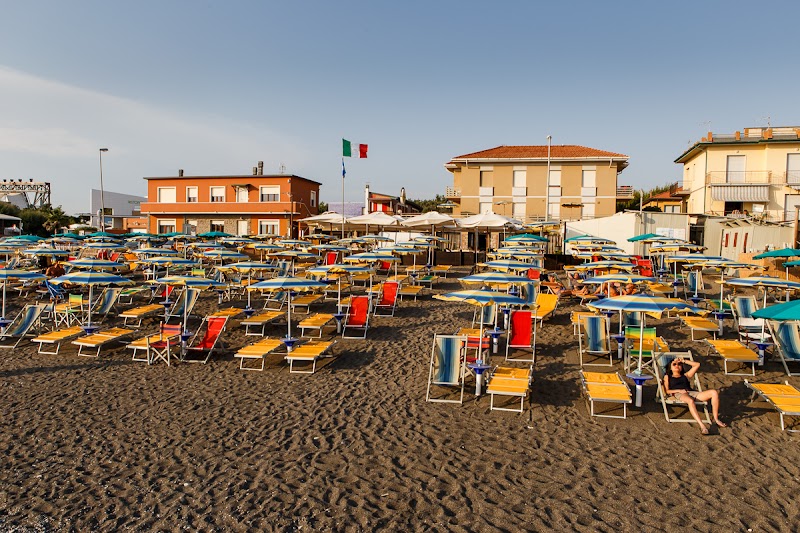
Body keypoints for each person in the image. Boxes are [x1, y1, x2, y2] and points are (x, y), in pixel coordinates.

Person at [663, 356, 727, 434]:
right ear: (670, 368)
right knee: (690, 401)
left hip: (691, 392)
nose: (677, 365)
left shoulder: (686, 375)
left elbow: (697, 365)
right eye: (674, 364)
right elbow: (667, 391)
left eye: (679, 364)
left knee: (714, 392)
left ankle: (716, 419)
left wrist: (683, 360)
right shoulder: (667, 377)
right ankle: (702, 426)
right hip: (678, 394)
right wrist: (679, 390)